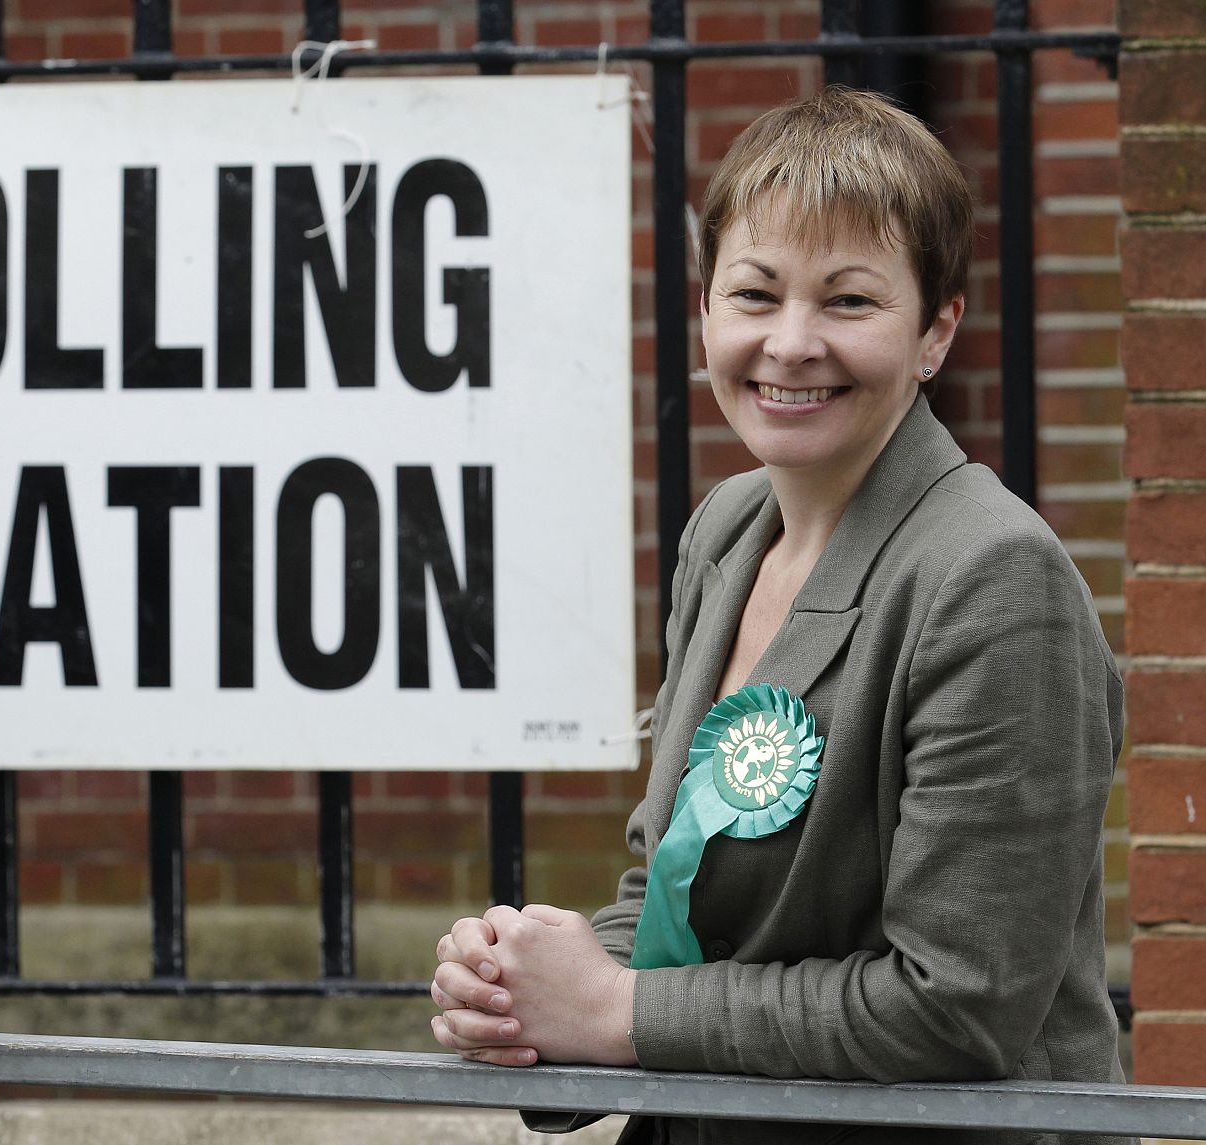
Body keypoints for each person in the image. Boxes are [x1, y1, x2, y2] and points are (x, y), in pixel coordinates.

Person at [428, 87, 1128, 1145]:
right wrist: (526, 980)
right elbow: (686, 880)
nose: (789, 343)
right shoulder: (726, 529)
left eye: (848, 301)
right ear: (709, 307)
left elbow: (957, 1004)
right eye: (755, 293)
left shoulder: (992, 579)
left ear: (936, 330)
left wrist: (616, 1010)